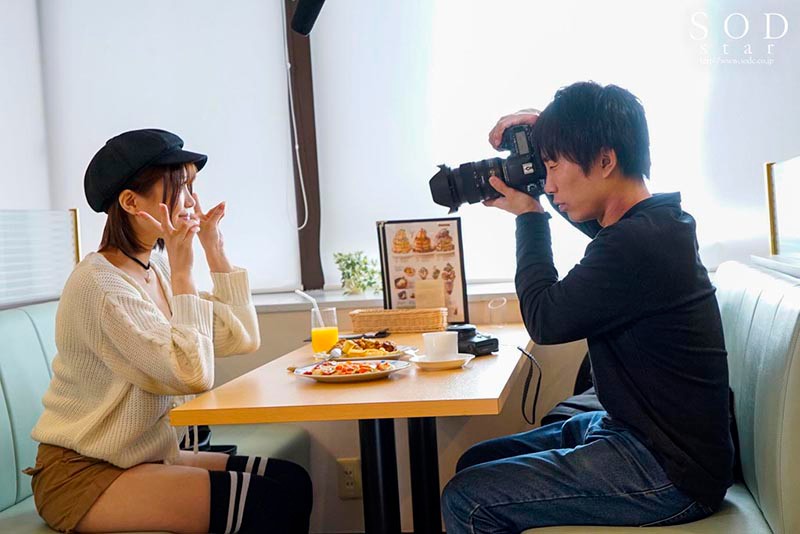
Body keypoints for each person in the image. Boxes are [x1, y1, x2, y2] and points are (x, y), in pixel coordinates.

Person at [441, 82, 734, 532]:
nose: (548, 184)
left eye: (554, 166)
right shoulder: (655, 225)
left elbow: (545, 319)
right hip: (635, 432)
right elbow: (589, 224)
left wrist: (530, 216)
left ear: (605, 160)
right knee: (477, 461)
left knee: (468, 498)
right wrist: (549, 134)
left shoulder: (638, 242)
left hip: (669, 471)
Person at [24, 129, 312, 533]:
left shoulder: (153, 269)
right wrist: (183, 271)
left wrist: (214, 249)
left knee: (292, 481)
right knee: (270, 503)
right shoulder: (100, 285)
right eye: (180, 187)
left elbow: (242, 337)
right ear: (130, 202)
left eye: (193, 186)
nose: (192, 201)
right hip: (83, 473)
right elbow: (192, 374)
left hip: (141, 459)